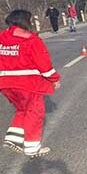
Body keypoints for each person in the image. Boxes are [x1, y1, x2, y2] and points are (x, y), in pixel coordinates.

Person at [0, 9, 61, 157]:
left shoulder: (2, 38)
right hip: (28, 84)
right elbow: (44, 65)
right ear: (25, 22)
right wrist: (54, 79)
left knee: (22, 109)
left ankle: (13, 138)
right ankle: (32, 147)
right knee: (35, 112)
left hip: (5, 84)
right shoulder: (31, 40)